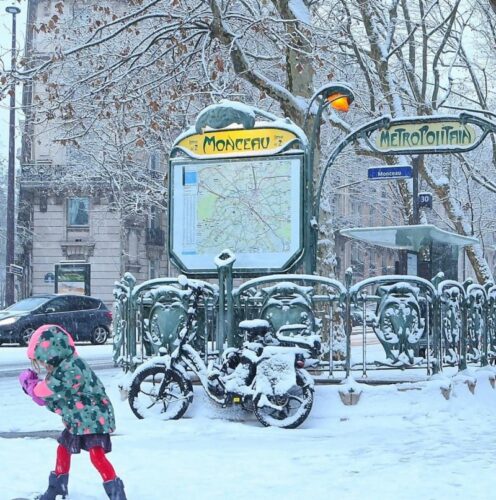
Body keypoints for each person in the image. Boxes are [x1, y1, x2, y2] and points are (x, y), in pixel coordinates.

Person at [18, 324, 127, 500]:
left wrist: (32, 388)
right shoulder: (64, 365)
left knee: (96, 455)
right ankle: (57, 487)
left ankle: (116, 493)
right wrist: (36, 392)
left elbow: (49, 391)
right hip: (78, 419)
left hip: (94, 419)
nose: (44, 365)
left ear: (52, 354)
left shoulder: (70, 369)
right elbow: (56, 399)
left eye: (43, 361)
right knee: (63, 447)